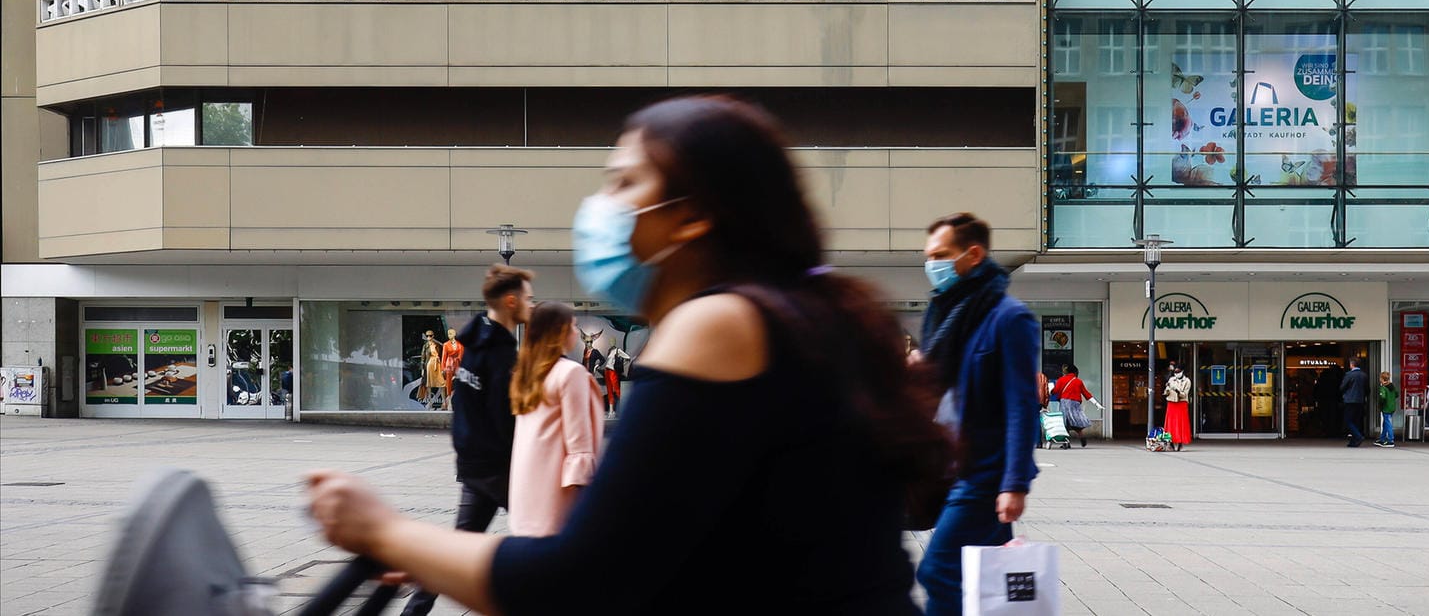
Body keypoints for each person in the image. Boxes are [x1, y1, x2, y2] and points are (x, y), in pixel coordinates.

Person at [309, 95, 949, 614]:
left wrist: (382, 530)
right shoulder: (808, 315)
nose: (602, 207)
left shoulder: (718, 325)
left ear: (691, 217)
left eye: (624, 182)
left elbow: (577, 582)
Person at [913, 211, 1040, 616]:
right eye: (929, 255)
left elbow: (1021, 404)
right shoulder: (950, 316)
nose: (931, 264)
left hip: (983, 474)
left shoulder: (1009, 318)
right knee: (985, 577)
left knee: (938, 571)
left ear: (973, 254)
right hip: (951, 467)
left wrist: (1014, 482)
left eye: (940, 254)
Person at [397, 262, 532, 616]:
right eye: (528, 299)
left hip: (476, 467)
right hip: (500, 468)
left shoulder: (473, 345)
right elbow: (504, 418)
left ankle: (414, 611)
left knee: (455, 548)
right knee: (548, 538)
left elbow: (466, 409)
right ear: (511, 301)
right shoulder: (499, 353)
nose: (531, 306)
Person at [506, 302, 603, 537]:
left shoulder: (526, 375)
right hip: (559, 498)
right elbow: (578, 442)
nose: (575, 333)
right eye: (573, 326)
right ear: (560, 331)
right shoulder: (571, 373)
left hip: (527, 497)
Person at [1053, 364, 1098, 448]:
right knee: (1075, 421)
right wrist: (1096, 403)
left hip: (1065, 402)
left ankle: (1066, 443)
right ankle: (1081, 435)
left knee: (1065, 422)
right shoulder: (1078, 381)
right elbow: (1086, 393)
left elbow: (1055, 391)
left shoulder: (1061, 379)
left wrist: (1050, 390)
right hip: (1075, 403)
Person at [1163, 362, 1192, 450]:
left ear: (1182, 371)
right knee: (1170, 423)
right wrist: (1167, 389)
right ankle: (1170, 442)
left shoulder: (1187, 381)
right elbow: (1166, 392)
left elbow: (1185, 394)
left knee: (1181, 423)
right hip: (1171, 402)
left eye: (1178, 371)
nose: (1176, 373)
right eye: (1175, 372)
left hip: (1181, 403)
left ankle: (1180, 442)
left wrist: (1177, 390)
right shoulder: (1171, 379)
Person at [1340, 358, 1368, 447]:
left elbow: (1342, 387)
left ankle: (1358, 436)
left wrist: (1344, 394)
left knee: (1348, 420)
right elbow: (1367, 389)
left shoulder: (1349, 375)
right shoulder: (1364, 375)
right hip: (1360, 400)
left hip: (1350, 400)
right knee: (1356, 421)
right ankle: (1353, 441)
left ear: (1352, 365)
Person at [1375, 371, 1399, 448]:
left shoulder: (1383, 387)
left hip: (1386, 408)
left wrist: (1381, 403)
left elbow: (1383, 397)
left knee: (1388, 423)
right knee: (1385, 423)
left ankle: (1391, 440)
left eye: (1380, 378)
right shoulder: (1392, 386)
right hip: (1392, 407)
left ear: (1382, 379)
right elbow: (1397, 394)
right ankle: (1382, 438)